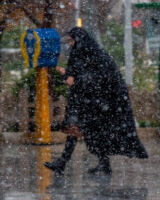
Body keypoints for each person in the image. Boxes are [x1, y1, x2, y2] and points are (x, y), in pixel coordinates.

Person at [45, 27, 148, 175]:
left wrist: (68, 78)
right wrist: (69, 76)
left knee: (81, 128)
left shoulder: (88, 55)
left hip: (98, 100)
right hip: (96, 100)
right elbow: (84, 76)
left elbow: (82, 79)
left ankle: (65, 162)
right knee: (90, 129)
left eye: (72, 40)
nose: (70, 44)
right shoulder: (90, 53)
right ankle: (102, 163)